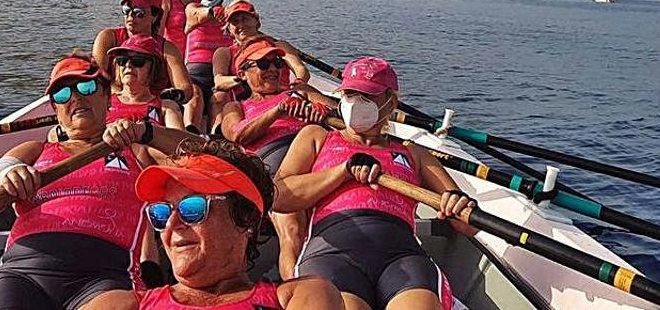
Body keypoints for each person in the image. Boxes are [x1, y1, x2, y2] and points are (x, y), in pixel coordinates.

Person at [0, 53, 199, 310]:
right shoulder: (32, 151)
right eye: (63, 95)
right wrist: (1, 181)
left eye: (86, 87)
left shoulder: (135, 149)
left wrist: (147, 132)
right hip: (23, 273)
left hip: (103, 276)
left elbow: (203, 156)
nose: (75, 97)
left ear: (107, 97)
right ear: (56, 111)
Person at [275, 57, 474, 310]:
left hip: (402, 256)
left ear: (390, 101)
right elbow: (280, 195)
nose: (355, 103)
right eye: (349, 94)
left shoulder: (415, 154)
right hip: (332, 253)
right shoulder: (317, 137)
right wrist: (342, 172)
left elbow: (468, 226)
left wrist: (457, 204)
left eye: (366, 96)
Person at [128, 139, 343, 309]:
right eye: (161, 213)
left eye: (192, 209)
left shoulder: (300, 295)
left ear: (245, 217)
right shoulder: (122, 304)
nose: (172, 224)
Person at [218, 38, 331, 280]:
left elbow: (336, 111)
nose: (272, 69)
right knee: (293, 229)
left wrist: (321, 111)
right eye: (263, 64)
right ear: (244, 73)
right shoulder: (236, 106)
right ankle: (298, 290)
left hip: (315, 151)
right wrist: (278, 110)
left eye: (277, 63)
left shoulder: (301, 92)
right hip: (273, 160)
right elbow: (236, 134)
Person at [93, 0, 195, 122]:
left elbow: (185, 89)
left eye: (138, 12)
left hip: (153, 108)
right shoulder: (107, 38)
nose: (130, 16)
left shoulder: (167, 49)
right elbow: (95, 80)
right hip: (114, 104)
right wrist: (124, 95)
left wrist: (169, 98)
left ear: (154, 17)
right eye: (126, 10)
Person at [210, 0, 310, 109]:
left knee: (310, 92)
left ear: (256, 22)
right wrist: (247, 78)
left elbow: (300, 69)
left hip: (283, 97)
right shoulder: (224, 52)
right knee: (219, 96)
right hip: (247, 101)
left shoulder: (279, 46)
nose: (241, 25)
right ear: (229, 28)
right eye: (235, 22)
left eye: (245, 19)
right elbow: (219, 81)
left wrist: (297, 87)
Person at [183, 0, 239, 127]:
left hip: (221, 74)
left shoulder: (233, 15)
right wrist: (213, 12)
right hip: (195, 72)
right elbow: (199, 15)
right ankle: (190, 135)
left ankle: (217, 138)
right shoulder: (191, 8)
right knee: (195, 95)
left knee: (220, 98)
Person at [106, 34, 185, 131]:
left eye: (137, 61)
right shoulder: (105, 103)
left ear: (153, 69)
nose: (128, 65)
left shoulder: (166, 107)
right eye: (122, 60)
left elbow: (180, 141)